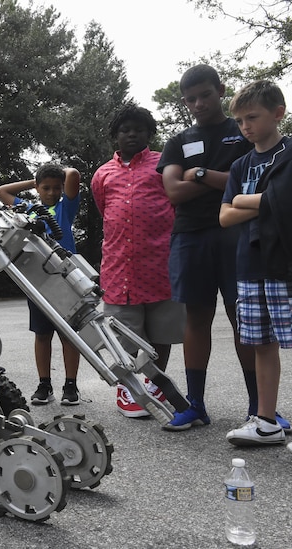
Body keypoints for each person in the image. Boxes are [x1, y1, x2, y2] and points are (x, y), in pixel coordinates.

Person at [155, 64, 288, 431]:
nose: (198, 104)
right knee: (196, 318)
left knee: (243, 320)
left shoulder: (244, 128)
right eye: (190, 99)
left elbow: (257, 176)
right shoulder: (178, 141)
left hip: (240, 237)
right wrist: (224, 180)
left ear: (220, 90)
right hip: (190, 236)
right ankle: (195, 405)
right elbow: (173, 192)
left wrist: (197, 173)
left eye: (205, 95)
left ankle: (259, 409)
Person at [91, 102, 186, 418]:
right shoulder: (103, 174)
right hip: (120, 267)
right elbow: (106, 210)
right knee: (124, 332)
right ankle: (129, 387)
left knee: (163, 332)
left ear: (149, 133)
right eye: (125, 130)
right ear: (115, 136)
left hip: (161, 264)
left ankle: (156, 382)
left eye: (138, 129)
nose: (131, 134)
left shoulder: (165, 164)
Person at [220, 80, 290, 445]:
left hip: (285, 265)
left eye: (252, 117)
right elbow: (224, 217)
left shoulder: (290, 153)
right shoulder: (240, 164)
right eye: (240, 120)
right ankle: (267, 422)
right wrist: (267, 201)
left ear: (278, 114)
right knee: (262, 344)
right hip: (249, 265)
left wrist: (246, 203)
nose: (245, 126)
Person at [0, 163, 82, 405]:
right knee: (42, 335)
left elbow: (74, 174)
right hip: (37, 279)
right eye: (46, 188)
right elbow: (2, 191)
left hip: (66, 278)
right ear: (37, 188)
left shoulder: (66, 207)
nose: (52, 192)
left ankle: (71, 385)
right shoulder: (29, 209)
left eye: (57, 187)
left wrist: (54, 174)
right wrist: (33, 182)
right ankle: (44, 384)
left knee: (69, 335)